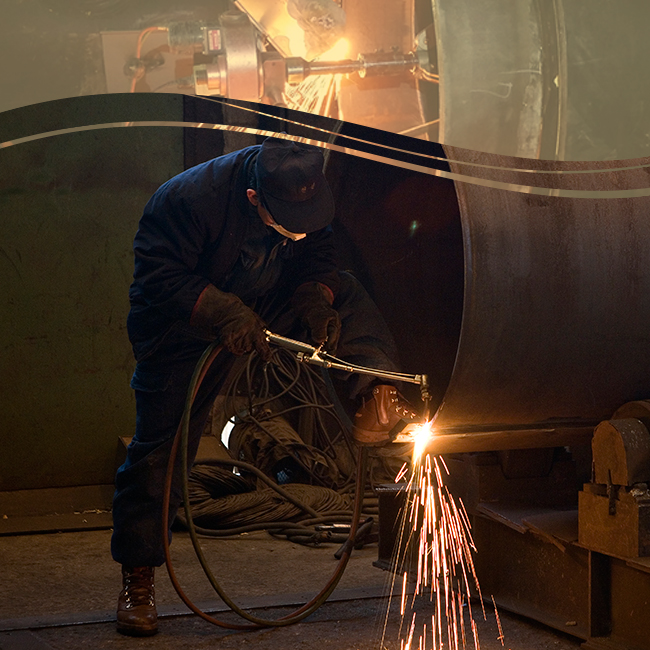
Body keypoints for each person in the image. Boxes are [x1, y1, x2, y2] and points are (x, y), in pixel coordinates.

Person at [111, 136, 421, 636]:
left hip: (263, 300)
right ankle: (139, 576)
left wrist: (316, 298)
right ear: (256, 199)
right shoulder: (187, 200)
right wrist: (224, 312)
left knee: (348, 290)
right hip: (182, 327)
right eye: (288, 225)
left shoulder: (302, 192)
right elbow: (158, 277)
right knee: (161, 451)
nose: (300, 232)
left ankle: (372, 392)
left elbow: (316, 251)